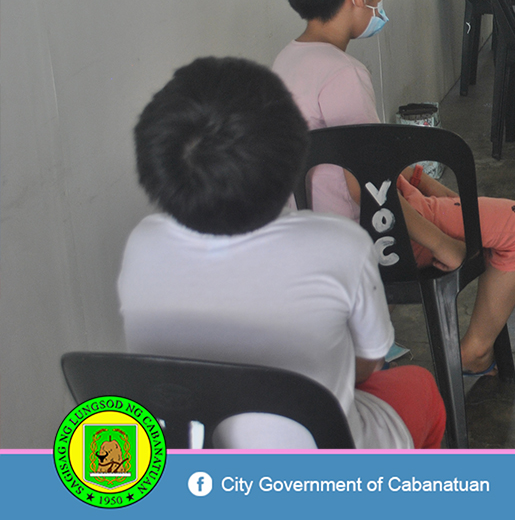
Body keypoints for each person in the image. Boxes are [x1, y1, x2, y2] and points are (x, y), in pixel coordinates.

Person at [118, 57, 446, 449]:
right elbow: (368, 363)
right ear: (294, 153)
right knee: (420, 387)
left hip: (198, 466)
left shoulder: (143, 245)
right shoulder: (341, 243)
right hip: (325, 469)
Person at [272, 0, 515, 376]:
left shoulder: (287, 61)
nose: (379, 3)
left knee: (432, 190)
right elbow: (365, 187)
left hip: (312, 236)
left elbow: (356, 166)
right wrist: (442, 243)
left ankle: (370, 335)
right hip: (372, 240)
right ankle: (474, 349)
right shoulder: (342, 75)